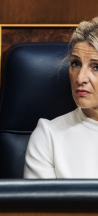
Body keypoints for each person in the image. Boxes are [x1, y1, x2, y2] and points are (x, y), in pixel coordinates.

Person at [24, 17, 98, 179]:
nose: (80, 79)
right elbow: (41, 204)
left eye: (96, 67)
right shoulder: (48, 135)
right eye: (76, 64)